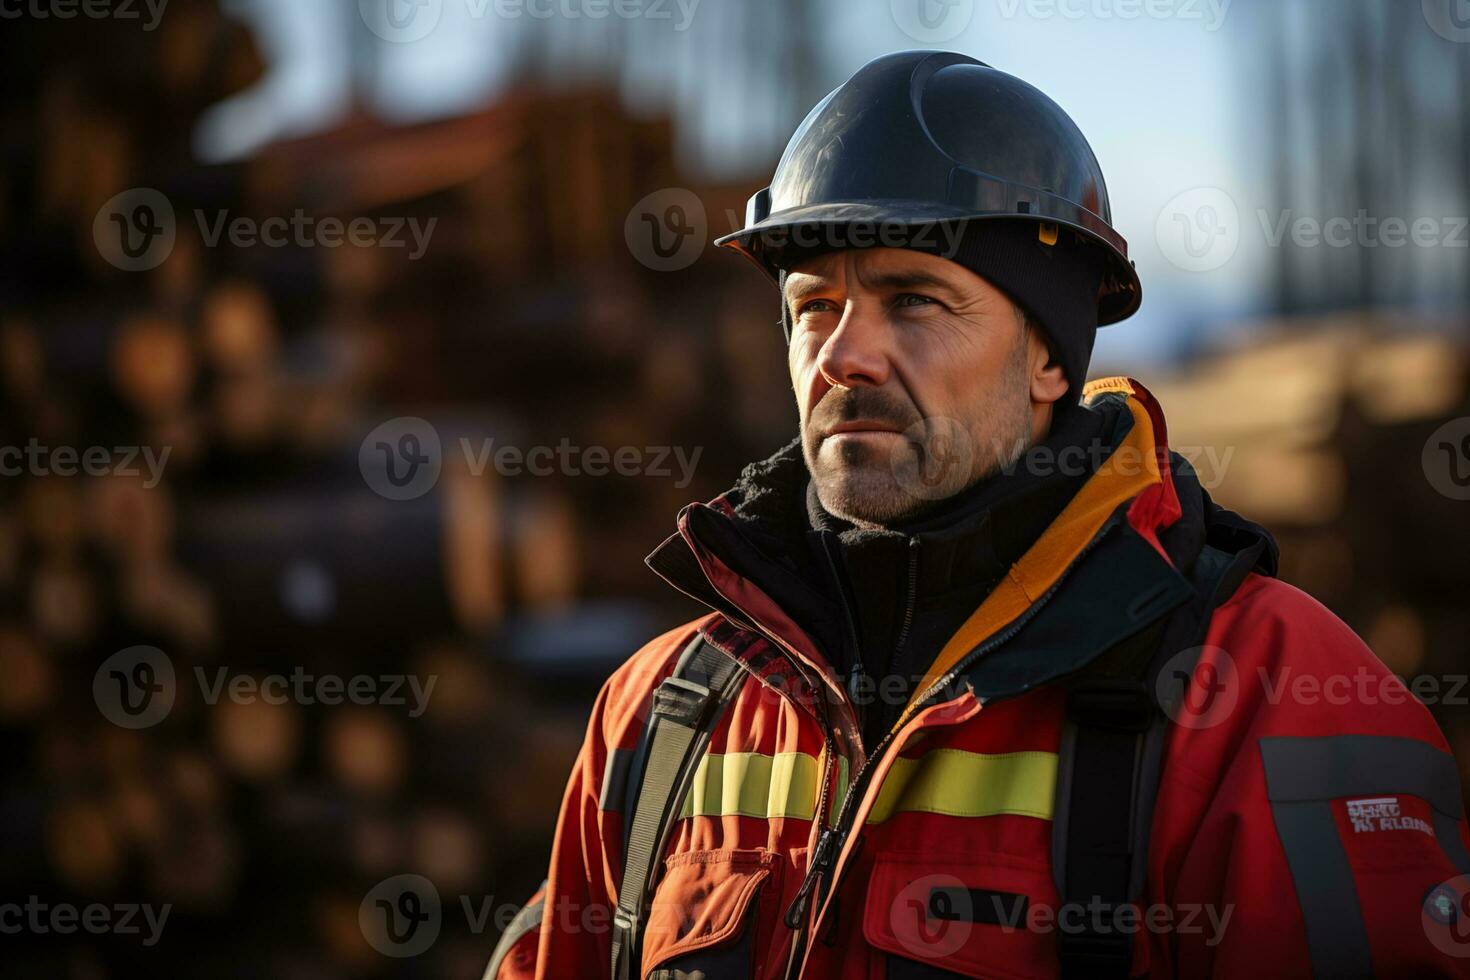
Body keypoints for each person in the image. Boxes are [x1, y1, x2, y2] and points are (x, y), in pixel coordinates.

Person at [486, 50, 1470, 979]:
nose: (843, 355)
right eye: (814, 305)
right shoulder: (662, 711)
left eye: (913, 299)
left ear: (1051, 355)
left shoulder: (1271, 695)